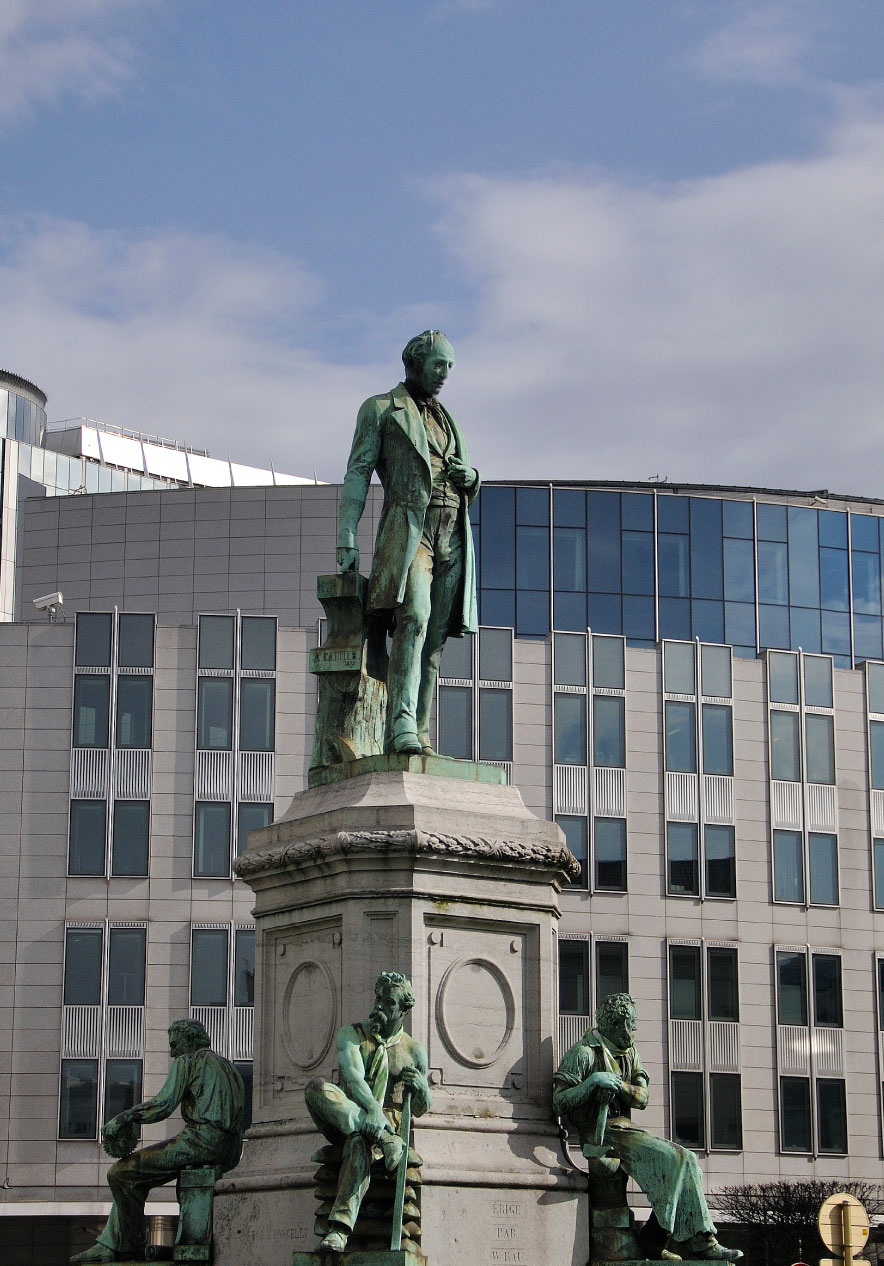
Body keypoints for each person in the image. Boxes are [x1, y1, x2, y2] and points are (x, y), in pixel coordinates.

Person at [336, 331, 479, 755]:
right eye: (439, 365)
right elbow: (358, 471)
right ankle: (399, 724)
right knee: (413, 617)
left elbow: (466, 476)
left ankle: (419, 730)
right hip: (411, 531)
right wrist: (346, 533)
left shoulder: (447, 418)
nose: (445, 374)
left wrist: (472, 479)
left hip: (453, 532)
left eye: (450, 366)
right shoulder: (381, 409)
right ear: (415, 362)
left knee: (434, 638)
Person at [553, 993, 742, 1262]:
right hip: (601, 1132)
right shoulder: (583, 1053)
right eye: (631, 1024)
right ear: (616, 1025)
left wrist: (619, 1085)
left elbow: (642, 1098)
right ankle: (697, 1243)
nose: (634, 1030)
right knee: (678, 1160)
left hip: (625, 1129)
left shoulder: (630, 1052)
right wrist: (593, 1081)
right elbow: (559, 1101)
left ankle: (659, 1239)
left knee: (689, 1164)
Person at [71, 1019, 244, 1264]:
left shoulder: (189, 1060)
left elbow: (163, 1105)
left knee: (121, 1173)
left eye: (174, 1044)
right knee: (131, 1178)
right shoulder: (230, 1067)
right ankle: (110, 1244)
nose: (173, 1052)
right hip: (229, 1151)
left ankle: (126, 1247)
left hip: (201, 1142)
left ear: (190, 1040)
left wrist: (126, 1116)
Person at [305, 971, 432, 1252]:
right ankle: (386, 1139)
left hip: (375, 1129)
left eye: (388, 1002)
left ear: (404, 1010)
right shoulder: (352, 1035)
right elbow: (353, 1078)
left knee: (359, 1142)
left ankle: (338, 1231)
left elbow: (422, 1109)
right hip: (348, 1117)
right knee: (317, 1089)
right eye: (378, 998)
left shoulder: (415, 1051)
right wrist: (374, 1114)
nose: (379, 1006)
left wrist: (422, 1088)